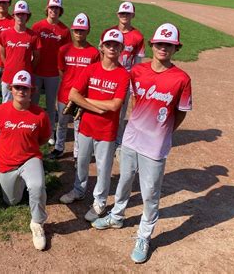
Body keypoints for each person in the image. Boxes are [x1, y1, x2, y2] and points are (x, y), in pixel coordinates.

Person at [92, 23, 192, 264]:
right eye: (159, 44)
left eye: (168, 45)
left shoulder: (182, 79)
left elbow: (180, 112)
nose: (163, 48)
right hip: (132, 138)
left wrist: (163, 130)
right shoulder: (137, 71)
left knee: (150, 193)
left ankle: (144, 235)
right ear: (152, 45)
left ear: (175, 48)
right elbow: (136, 100)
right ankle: (116, 216)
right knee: (124, 181)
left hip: (155, 145)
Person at [60, 29, 129, 224]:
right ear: (102, 47)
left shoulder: (123, 75)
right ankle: (79, 190)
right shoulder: (90, 69)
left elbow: (115, 105)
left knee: (103, 167)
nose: (112, 48)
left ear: (122, 49)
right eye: (109, 44)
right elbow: (73, 95)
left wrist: (86, 101)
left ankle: (99, 202)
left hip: (106, 130)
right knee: (81, 162)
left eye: (116, 45)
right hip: (86, 126)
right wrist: (97, 108)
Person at [0, 70, 51, 250]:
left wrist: (27, 148)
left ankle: (37, 223)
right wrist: (7, 145)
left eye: (25, 88)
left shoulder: (40, 115)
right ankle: (21, 184)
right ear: (11, 89)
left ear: (32, 91)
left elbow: (44, 138)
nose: (21, 91)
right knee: (12, 201)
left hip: (30, 158)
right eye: (17, 87)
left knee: (38, 186)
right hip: (6, 162)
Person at [49, 13, 100, 160]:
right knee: (62, 123)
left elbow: (94, 76)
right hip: (64, 93)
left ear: (88, 31)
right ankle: (59, 148)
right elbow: (61, 70)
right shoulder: (64, 49)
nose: (79, 33)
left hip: (82, 96)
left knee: (79, 125)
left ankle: (78, 152)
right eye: (76, 30)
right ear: (72, 31)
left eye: (82, 30)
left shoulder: (93, 53)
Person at [102, 2, 145, 153]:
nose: (124, 16)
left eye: (127, 14)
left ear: (133, 15)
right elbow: (101, 54)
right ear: (117, 14)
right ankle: (102, 136)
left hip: (124, 77)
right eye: (122, 13)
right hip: (107, 75)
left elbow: (138, 63)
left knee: (120, 111)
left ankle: (117, 137)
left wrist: (133, 82)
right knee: (103, 105)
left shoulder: (138, 36)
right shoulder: (108, 32)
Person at [31, 0, 71, 146]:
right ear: (47, 9)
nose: (53, 10)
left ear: (60, 10)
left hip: (53, 73)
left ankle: (49, 131)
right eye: (51, 7)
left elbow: (66, 53)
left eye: (57, 8)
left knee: (50, 105)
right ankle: (34, 129)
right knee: (34, 102)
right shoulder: (37, 26)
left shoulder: (64, 30)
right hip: (36, 70)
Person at [0, 0, 41, 102]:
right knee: (6, 104)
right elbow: (2, 53)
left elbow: (36, 57)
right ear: (14, 15)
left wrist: (27, 68)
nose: (20, 17)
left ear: (27, 16)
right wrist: (9, 66)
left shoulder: (33, 36)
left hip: (25, 77)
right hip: (8, 76)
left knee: (24, 105)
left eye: (23, 14)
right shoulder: (5, 34)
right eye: (18, 14)